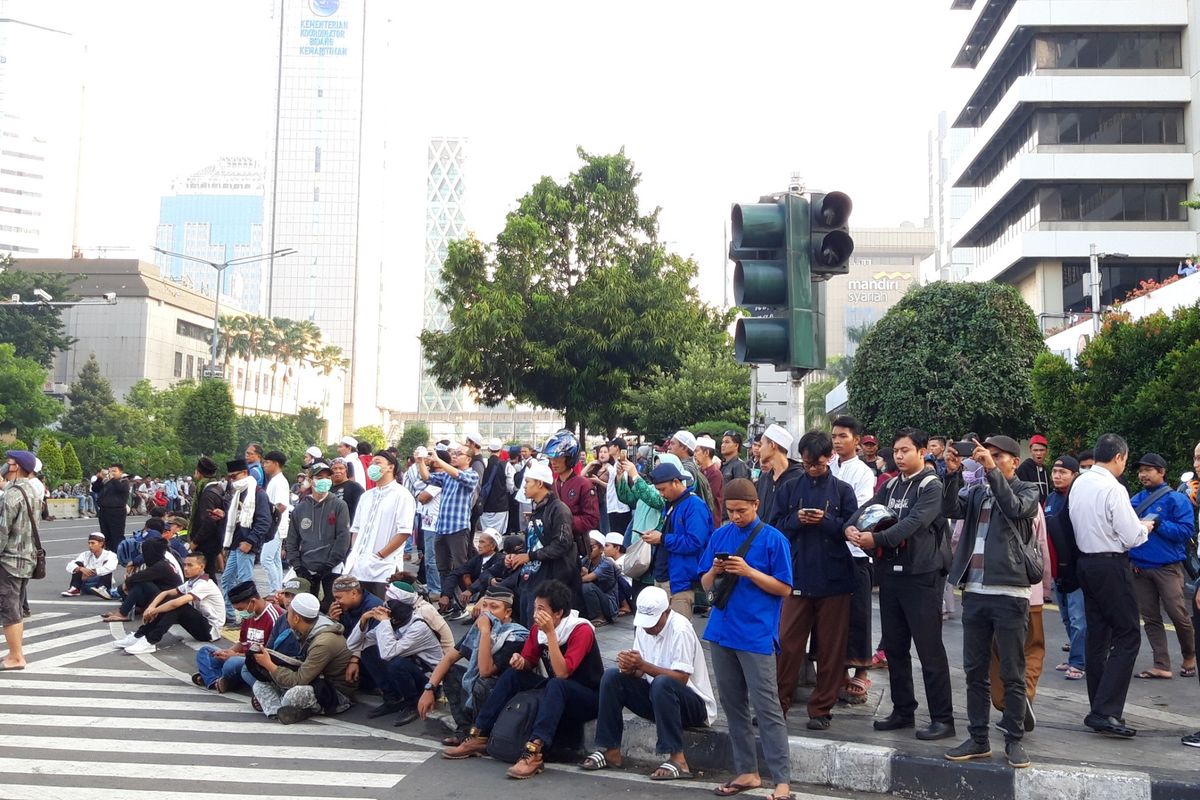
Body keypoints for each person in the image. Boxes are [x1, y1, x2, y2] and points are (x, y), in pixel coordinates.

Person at [845, 428, 955, 741]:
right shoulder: (892, 484)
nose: (899, 455)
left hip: (922, 577)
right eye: (896, 450)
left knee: (929, 650)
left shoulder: (931, 485)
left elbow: (912, 524)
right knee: (894, 648)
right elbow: (863, 512)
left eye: (906, 450)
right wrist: (849, 529)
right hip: (890, 575)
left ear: (922, 452)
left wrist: (874, 538)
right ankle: (903, 710)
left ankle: (943, 719)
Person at [942, 435, 1040, 769]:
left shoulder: (1028, 490)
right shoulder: (978, 492)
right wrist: (952, 472)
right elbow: (949, 508)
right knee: (974, 671)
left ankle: (1013, 739)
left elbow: (1014, 507)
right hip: (975, 592)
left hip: (1011, 592)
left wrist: (991, 472)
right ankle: (978, 738)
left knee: (1012, 670)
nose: (989, 460)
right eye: (987, 455)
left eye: (997, 456)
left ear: (1014, 460)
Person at [441, 580, 602, 780]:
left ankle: (534, 752)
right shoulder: (537, 631)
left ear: (558, 613)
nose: (535, 614)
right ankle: (479, 734)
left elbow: (562, 673)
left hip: (588, 696)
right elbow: (529, 660)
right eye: (535, 608)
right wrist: (520, 661)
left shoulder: (581, 630)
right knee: (512, 675)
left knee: (557, 684)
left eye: (541, 609)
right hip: (556, 690)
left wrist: (550, 633)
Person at [698, 478, 793, 800]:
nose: (735, 516)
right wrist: (716, 570)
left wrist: (749, 571)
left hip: (756, 634)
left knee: (767, 708)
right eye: (730, 511)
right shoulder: (720, 535)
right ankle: (747, 772)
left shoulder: (774, 540)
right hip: (722, 631)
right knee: (733, 706)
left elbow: (784, 588)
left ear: (756, 505)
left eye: (741, 510)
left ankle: (782, 781)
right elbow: (706, 584)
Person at [769, 430, 858, 729]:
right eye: (807, 464)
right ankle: (777, 705)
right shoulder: (790, 488)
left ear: (829, 458)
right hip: (796, 576)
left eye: (817, 464)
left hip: (835, 579)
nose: (812, 469)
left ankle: (821, 709)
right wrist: (797, 520)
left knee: (831, 649)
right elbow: (775, 526)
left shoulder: (844, 491)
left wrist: (826, 521)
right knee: (786, 643)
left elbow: (852, 529)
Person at [581, 585, 716, 780]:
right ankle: (611, 750)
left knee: (662, 683)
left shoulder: (681, 628)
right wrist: (630, 667)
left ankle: (678, 760)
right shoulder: (644, 628)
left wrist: (643, 665)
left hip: (693, 705)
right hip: (659, 698)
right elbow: (641, 672)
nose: (649, 628)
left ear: (667, 612)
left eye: (654, 624)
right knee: (612, 677)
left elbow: (681, 678)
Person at [1069, 433, 1148, 737]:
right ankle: (1106, 710)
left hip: (1086, 563)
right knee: (1128, 634)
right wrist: (1145, 528)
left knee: (1098, 635)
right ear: (1119, 457)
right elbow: (1130, 536)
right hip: (1110, 564)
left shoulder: (1081, 482)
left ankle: (1098, 706)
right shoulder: (1113, 488)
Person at [418, 586, 529, 746]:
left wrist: (485, 632)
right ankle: (464, 730)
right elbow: (449, 658)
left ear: (507, 613)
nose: (487, 612)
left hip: (502, 696)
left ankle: (481, 732)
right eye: (485, 606)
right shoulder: (478, 630)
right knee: (450, 672)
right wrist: (429, 688)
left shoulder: (515, 636)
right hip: (480, 692)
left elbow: (485, 671)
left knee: (482, 683)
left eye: (494, 607)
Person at [1128, 452, 1196, 680]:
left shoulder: (1177, 500)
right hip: (1139, 567)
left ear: (1162, 472)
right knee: (1150, 618)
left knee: (1178, 614)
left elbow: (1186, 532)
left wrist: (1158, 524)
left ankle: (1189, 656)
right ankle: (1161, 664)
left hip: (1167, 567)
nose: (1143, 474)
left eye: (1148, 470)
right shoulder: (1135, 500)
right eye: (1141, 470)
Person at [250, 592, 356, 724]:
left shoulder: (323, 642)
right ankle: (280, 713)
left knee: (293, 695)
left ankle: (293, 709)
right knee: (260, 685)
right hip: (313, 680)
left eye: (288, 613)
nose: (285, 617)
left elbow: (299, 680)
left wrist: (268, 664)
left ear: (296, 618)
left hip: (333, 692)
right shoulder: (305, 628)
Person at [829, 415, 877, 702]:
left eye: (844, 436)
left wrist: (833, 519)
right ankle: (838, 672)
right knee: (833, 615)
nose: (837, 440)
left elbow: (859, 509)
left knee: (858, 614)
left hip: (855, 551)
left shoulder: (863, 472)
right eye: (835, 435)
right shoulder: (828, 466)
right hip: (829, 550)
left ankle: (860, 672)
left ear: (857, 440)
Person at [354, 590, 444, 726]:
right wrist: (363, 619)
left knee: (396, 662)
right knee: (366, 650)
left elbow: (388, 653)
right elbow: (354, 644)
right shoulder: (393, 622)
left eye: (388, 603)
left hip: (430, 680)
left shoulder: (418, 626)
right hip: (411, 668)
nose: (384, 607)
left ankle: (413, 702)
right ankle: (392, 698)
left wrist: (384, 622)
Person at [507, 461, 580, 627]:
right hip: (531, 579)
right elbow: (535, 544)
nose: (524, 486)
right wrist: (519, 556)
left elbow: (562, 544)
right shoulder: (538, 510)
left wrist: (529, 556)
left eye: (527, 482)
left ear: (540, 483)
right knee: (528, 627)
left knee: (539, 628)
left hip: (549, 580)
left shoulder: (559, 509)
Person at [112, 552, 224, 654]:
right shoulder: (191, 582)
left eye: (190, 565)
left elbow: (176, 603)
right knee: (169, 602)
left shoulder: (205, 584)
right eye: (185, 565)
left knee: (178, 607)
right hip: (200, 623)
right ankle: (140, 635)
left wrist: (154, 611)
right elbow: (165, 593)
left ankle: (150, 641)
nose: (185, 568)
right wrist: (151, 607)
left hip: (210, 631)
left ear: (201, 567)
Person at [342, 451, 414, 598]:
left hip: (383, 568)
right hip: (358, 567)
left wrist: (379, 555)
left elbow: (404, 532)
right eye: (371, 463)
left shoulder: (402, 495)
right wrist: (356, 552)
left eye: (377, 462)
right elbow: (356, 529)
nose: (372, 466)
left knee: (380, 610)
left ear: (390, 467)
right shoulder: (366, 496)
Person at [644, 461, 712, 619]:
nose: (661, 494)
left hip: (681, 580)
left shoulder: (695, 505)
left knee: (677, 633)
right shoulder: (670, 504)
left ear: (675, 482)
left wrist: (661, 538)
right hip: (663, 574)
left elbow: (694, 542)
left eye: (662, 489)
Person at [193, 580, 282, 692]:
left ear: (252, 602)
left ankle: (216, 678)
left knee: (232, 664)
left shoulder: (274, 617)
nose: (240, 613)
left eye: (240, 609)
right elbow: (242, 642)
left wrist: (234, 655)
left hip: (257, 662)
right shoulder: (249, 616)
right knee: (205, 651)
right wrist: (226, 652)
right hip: (242, 656)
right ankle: (217, 681)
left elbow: (270, 655)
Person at [287, 462, 351, 611]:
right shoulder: (300, 508)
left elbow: (343, 538)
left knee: (331, 610)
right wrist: (298, 566)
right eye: (319, 476)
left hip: (331, 570)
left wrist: (328, 565)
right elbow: (292, 540)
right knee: (305, 612)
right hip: (305, 570)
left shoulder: (339, 505)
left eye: (328, 476)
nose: (324, 480)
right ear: (310, 480)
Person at [217, 459, 273, 628]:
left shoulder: (258, 493)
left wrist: (250, 541)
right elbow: (236, 518)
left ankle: (248, 618)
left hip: (247, 545)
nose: (233, 480)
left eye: (235, 476)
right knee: (227, 580)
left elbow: (264, 521)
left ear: (245, 473)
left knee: (245, 584)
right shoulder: (238, 493)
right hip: (236, 545)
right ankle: (232, 616)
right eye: (231, 477)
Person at [417, 443, 481, 587]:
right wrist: (420, 462)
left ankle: (462, 600)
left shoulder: (472, 475)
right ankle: (446, 597)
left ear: (468, 459)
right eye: (454, 453)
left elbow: (459, 475)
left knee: (460, 568)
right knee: (443, 568)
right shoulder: (447, 475)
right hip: (442, 528)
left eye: (459, 454)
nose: (454, 456)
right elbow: (427, 477)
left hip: (458, 528)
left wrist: (438, 460)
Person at [1046, 455, 1086, 680]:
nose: (1057, 476)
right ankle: (1076, 657)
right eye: (1054, 472)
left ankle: (1079, 662)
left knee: (1079, 619)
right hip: (1056, 571)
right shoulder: (1050, 499)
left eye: (1063, 473)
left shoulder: (1078, 499)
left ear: (1075, 476)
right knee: (1067, 618)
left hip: (1076, 569)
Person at [0, 450, 39, 669]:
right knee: (15, 606)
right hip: (26, 558)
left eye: (9, 462)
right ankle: (16, 654)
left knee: (9, 608)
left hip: (10, 560)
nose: (6, 465)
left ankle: (15, 656)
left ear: (16, 467)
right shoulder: (32, 490)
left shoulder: (11, 494)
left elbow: (2, 530)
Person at [544, 429, 600, 559]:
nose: (553, 462)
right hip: (553, 545)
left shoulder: (584, 484)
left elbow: (592, 519)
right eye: (551, 458)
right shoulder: (552, 484)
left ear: (569, 459)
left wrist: (562, 521)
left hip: (575, 546)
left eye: (558, 457)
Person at [440, 528, 509, 618]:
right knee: (460, 576)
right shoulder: (477, 559)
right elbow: (456, 573)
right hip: (475, 591)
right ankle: (459, 608)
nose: (479, 545)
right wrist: (446, 595)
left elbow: (486, 578)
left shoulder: (500, 559)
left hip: (491, 594)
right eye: (479, 542)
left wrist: (471, 590)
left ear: (492, 546)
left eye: (482, 542)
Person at [754, 424, 802, 521]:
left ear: (772, 445)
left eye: (761, 445)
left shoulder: (799, 478)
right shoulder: (764, 478)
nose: (759, 450)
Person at [188, 457, 225, 577]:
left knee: (205, 576)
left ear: (199, 473)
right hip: (212, 541)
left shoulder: (208, 493)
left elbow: (209, 521)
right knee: (207, 575)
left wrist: (195, 541)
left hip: (206, 543)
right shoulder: (216, 488)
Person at [261, 450, 292, 595]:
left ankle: (275, 591)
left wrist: (270, 522)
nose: (264, 465)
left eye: (267, 462)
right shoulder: (275, 480)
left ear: (276, 464)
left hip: (275, 527)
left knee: (266, 559)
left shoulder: (279, 482)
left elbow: (281, 505)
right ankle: (280, 590)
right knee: (274, 560)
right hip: (276, 526)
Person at [61, 532, 118, 598]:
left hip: (100, 582)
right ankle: (75, 589)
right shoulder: (85, 554)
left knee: (107, 568)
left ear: (101, 544)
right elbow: (69, 566)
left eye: (93, 543)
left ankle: (103, 589)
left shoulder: (110, 555)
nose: (90, 545)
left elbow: (111, 567)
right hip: (86, 584)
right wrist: (81, 569)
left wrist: (91, 572)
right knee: (78, 564)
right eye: (89, 543)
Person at [580, 530, 619, 625]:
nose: (588, 550)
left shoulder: (606, 563)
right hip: (598, 600)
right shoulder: (587, 560)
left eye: (592, 547)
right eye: (587, 547)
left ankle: (599, 617)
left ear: (601, 549)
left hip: (609, 605)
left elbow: (588, 578)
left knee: (586, 587)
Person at [479, 439, 512, 534]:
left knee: (486, 533)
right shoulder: (506, 465)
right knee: (497, 534)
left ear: (489, 449)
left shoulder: (483, 463)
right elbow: (510, 486)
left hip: (485, 503)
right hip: (501, 505)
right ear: (501, 449)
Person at [96, 461, 130, 553]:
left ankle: (119, 554)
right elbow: (95, 489)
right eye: (110, 471)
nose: (112, 473)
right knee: (105, 534)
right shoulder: (107, 482)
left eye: (114, 471)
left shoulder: (124, 482)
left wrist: (112, 479)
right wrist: (100, 478)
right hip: (104, 511)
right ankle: (108, 553)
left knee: (117, 534)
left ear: (121, 472)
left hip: (117, 512)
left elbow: (121, 489)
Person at [604, 439, 633, 537]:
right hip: (614, 506)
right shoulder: (616, 463)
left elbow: (621, 480)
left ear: (616, 448)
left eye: (611, 446)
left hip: (620, 507)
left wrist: (608, 467)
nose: (609, 448)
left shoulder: (622, 462)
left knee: (619, 536)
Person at [694, 436, 726, 519]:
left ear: (706, 452)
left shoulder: (715, 474)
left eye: (697, 451)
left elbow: (708, 497)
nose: (694, 454)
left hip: (710, 519)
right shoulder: (699, 470)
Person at [1016, 435, 1051, 505]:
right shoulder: (1023, 469)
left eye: (1042, 450)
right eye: (1035, 450)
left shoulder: (1046, 470)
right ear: (1030, 451)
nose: (1038, 453)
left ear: (1046, 451)